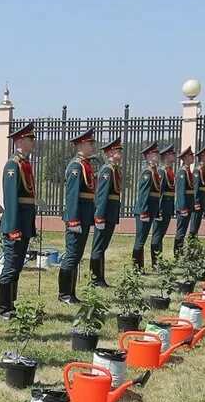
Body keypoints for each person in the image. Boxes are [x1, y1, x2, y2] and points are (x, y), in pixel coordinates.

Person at [0, 122, 38, 317]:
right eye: (30, 139)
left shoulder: (24, 164)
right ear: (20, 141)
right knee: (11, 266)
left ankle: (11, 305)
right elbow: (11, 199)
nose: (33, 142)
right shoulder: (13, 165)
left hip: (23, 223)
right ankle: (3, 308)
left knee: (17, 266)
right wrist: (14, 228)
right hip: (16, 224)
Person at [58, 128, 98, 304]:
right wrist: (73, 219)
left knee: (77, 254)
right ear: (81, 145)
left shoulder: (85, 165)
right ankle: (64, 294)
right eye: (90, 143)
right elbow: (72, 195)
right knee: (72, 254)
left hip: (84, 214)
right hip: (77, 216)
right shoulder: (76, 166)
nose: (93, 145)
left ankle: (71, 293)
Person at [89, 136, 123, 288]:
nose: (120, 153)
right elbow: (102, 195)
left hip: (110, 212)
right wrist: (100, 217)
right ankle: (95, 279)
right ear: (110, 153)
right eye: (118, 151)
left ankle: (100, 278)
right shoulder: (106, 170)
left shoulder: (113, 169)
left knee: (103, 246)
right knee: (98, 246)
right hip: (105, 213)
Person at [131, 141, 162, 269]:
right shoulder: (148, 172)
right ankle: (136, 267)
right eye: (156, 153)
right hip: (144, 210)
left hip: (150, 209)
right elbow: (143, 193)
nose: (158, 155)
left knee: (142, 240)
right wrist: (144, 211)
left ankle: (140, 267)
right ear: (149, 156)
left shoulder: (154, 171)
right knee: (140, 240)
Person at [150, 144, 177, 264]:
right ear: (167, 156)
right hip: (162, 207)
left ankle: (159, 259)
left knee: (161, 234)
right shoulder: (162, 171)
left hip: (168, 206)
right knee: (157, 234)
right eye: (172, 154)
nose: (175, 155)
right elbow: (159, 192)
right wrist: (158, 209)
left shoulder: (169, 171)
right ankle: (156, 261)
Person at [173, 147, 198, 257]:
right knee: (181, 231)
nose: (193, 157)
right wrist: (182, 207)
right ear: (186, 157)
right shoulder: (182, 172)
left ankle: (180, 252)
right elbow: (181, 191)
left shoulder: (188, 171)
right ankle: (178, 255)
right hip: (184, 207)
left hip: (188, 206)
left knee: (183, 231)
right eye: (191, 156)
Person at [188, 147, 205, 239]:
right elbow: (195, 188)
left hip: (202, 200)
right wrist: (195, 202)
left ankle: (194, 238)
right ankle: (192, 240)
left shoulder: (203, 170)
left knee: (198, 222)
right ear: (203, 156)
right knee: (194, 222)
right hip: (198, 201)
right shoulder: (197, 171)